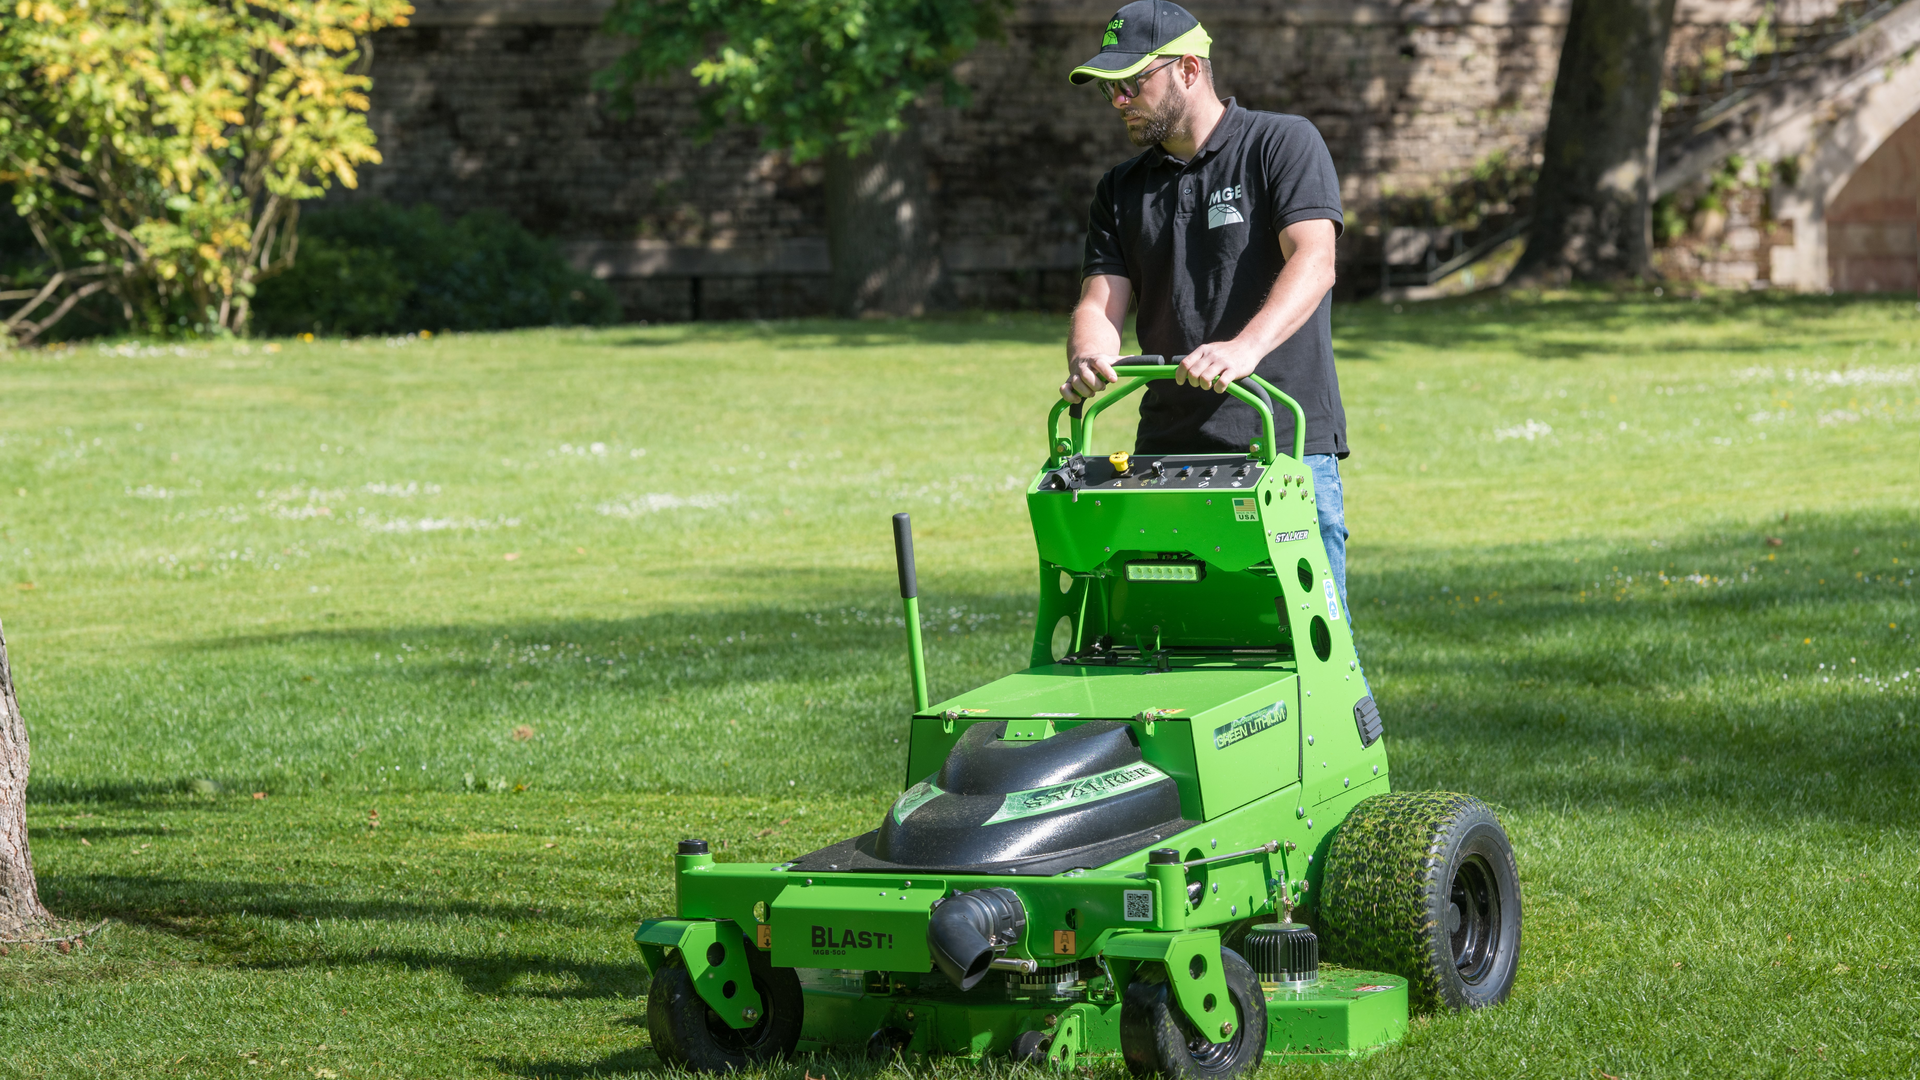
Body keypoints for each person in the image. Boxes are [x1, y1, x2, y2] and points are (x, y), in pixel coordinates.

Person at [1061, 0, 1358, 618]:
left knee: (1313, 654)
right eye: (1109, 88)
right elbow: (1099, 301)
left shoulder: (1281, 143)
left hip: (1280, 443)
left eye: (1131, 82)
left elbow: (1315, 260)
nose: (1118, 100)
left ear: (1189, 70)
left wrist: (1243, 349)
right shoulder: (1121, 188)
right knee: (1172, 642)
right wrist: (1090, 354)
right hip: (1164, 453)